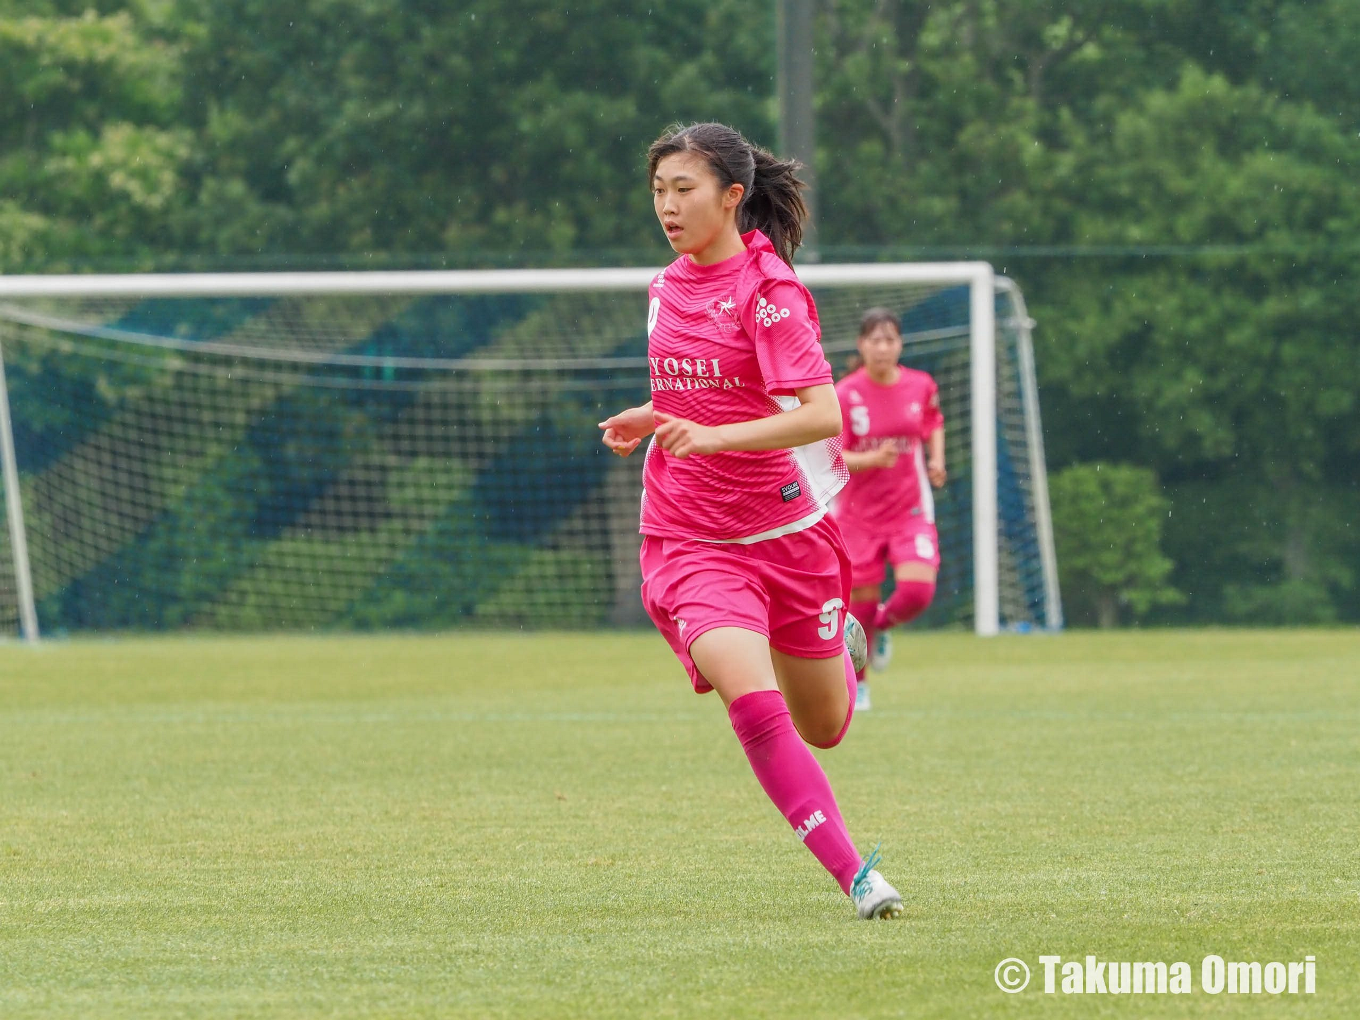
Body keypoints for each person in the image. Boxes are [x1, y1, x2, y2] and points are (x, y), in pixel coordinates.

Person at [598, 123, 902, 920]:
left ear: (732, 196)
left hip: (785, 537)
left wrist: (714, 437)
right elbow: (700, 388)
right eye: (658, 191)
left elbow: (820, 412)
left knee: (825, 726)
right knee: (756, 708)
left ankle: (842, 643)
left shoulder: (770, 293)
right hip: (690, 538)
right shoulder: (664, 288)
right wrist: (652, 416)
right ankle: (857, 876)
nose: (667, 207)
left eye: (684, 189)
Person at [833, 308, 946, 710]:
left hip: (908, 511)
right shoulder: (845, 394)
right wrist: (871, 460)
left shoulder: (920, 385)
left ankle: (880, 627)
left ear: (900, 344)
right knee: (859, 604)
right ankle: (858, 685)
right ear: (862, 345)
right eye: (875, 340)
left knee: (917, 591)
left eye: (890, 340)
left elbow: (933, 423)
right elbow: (832, 457)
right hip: (857, 516)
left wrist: (936, 459)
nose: (883, 348)